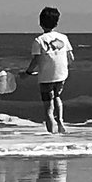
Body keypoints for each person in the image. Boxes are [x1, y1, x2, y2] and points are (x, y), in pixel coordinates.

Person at [19, 7, 73, 135]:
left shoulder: (39, 40)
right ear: (56, 23)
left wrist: (27, 73)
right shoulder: (63, 38)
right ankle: (60, 121)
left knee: (48, 107)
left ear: (40, 23)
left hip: (46, 78)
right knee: (57, 96)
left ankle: (51, 133)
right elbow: (71, 57)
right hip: (61, 75)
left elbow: (36, 60)